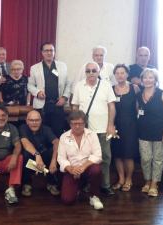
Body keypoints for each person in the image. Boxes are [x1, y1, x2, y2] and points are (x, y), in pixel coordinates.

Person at [71, 61, 116, 196]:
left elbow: (112, 107)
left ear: (98, 72)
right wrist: (76, 126)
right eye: (88, 71)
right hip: (85, 130)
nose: (91, 73)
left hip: (103, 129)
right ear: (85, 73)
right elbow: (75, 107)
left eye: (94, 70)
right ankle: (87, 185)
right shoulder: (79, 86)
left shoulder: (106, 85)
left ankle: (105, 185)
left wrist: (110, 125)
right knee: (85, 158)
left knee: (105, 157)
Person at [57, 110, 103, 210]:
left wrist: (83, 166)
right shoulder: (63, 137)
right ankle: (79, 187)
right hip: (72, 170)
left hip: (87, 168)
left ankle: (94, 197)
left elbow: (98, 155)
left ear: (85, 123)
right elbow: (61, 158)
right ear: (70, 124)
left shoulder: (92, 135)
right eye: (74, 124)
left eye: (80, 124)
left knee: (96, 169)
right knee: (67, 200)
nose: (77, 126)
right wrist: (70, 169)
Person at [137, 68, 163, 197]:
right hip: (143, 132)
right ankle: (147, 181)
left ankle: (154, 184)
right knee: (145, 159)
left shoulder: (162, 93)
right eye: (145, 77)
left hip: (159, 132)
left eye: (151, 77)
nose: (148, 80)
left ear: (155, 80)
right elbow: (137, 112)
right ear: (141, 80)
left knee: (157, 159)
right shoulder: (138, 94)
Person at [28, 42, 70, 137]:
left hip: (58, 105)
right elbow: (30, 85)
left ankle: (57, 152)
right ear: (42, 52)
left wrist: (64, 97)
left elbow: (68, 84)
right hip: (42, 106)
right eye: (46, 50)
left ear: (54, 52)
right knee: (42, 133)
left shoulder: (62, 66)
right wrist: (37, 92)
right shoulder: (34, 68)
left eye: (51, 50)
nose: (49, 53)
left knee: (58, 133)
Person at [111, 64, 140, 192]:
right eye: (117, 73)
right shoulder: (111, 89)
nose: (120, 75)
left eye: (122, 73)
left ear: (127, 74)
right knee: (117, 154)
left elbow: (139, 107)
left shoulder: (135, 88)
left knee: (128, 155)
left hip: (131, 126)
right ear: (115, 75)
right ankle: (121, 179)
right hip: (116, 126)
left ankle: (129, 179)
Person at [20, 110, 59, 197]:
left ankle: (51, 183)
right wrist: (37, 155)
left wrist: (53, 160)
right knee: (25, 154)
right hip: (31, 159)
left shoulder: (46, 129)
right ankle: (27, 184)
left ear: (41, 121)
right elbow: (25, 142)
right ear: (27, 121)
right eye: (31, 120)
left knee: (54, 152)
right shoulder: (23, 128)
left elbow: (56, 142)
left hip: (45, 159)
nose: (34, 123)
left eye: (37, 120)